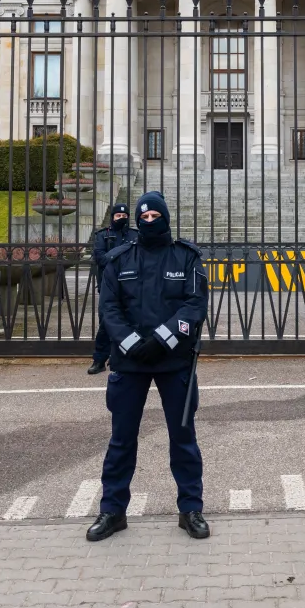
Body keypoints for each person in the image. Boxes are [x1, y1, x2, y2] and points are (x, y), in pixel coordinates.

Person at [86, 192, 209, 543]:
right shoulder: (120, 258)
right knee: (121, 440)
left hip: (174, 360)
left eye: (156, 215)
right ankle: (113, 511)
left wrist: (162, 339)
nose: (149, 221)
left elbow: (194, 305)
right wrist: (131, 343)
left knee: (183, 439)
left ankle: (190, 508)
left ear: (166, 218)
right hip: (130, 362)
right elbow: (109, 308)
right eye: (145, 217)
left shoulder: (187, 257)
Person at [87, 203, 135, 375]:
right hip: (108, 286)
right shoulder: (102, 235)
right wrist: (123, 251)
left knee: (132, 321)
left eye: (124, 216)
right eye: (118, 216)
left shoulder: (135, 235)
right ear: (112, 217)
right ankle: (99, 360)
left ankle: (128, 356)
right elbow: (101, 259)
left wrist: (114, 255)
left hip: (131, 286)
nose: (121, 218)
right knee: (106, 323)